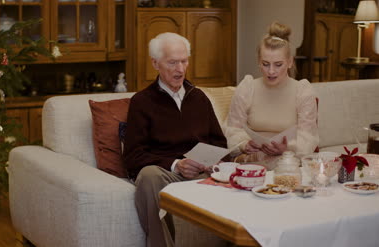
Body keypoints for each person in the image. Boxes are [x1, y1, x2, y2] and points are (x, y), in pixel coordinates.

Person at [123, 32, 227, 247]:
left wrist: (213, 161)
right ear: (155, 63)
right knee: (149, 176)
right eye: (172, 62)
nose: (180, 69)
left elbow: (219, 142)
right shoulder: (142, 102)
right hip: (169, 174)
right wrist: (177, 165)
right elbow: (133, 156)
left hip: (203, 172)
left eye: (184, 61)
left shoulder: (198, 97)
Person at [224, 22, 319, 169]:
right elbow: (233, 129)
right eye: (265, 64)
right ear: (258, 62)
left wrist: (287, 148)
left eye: (278, 64)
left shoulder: (302, 90)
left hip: (288, 159)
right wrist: (244, 144)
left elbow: (308, 136)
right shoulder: (247, 87)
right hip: (252, 159)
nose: (271, 71)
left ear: (290, 62)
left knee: (285, 166)